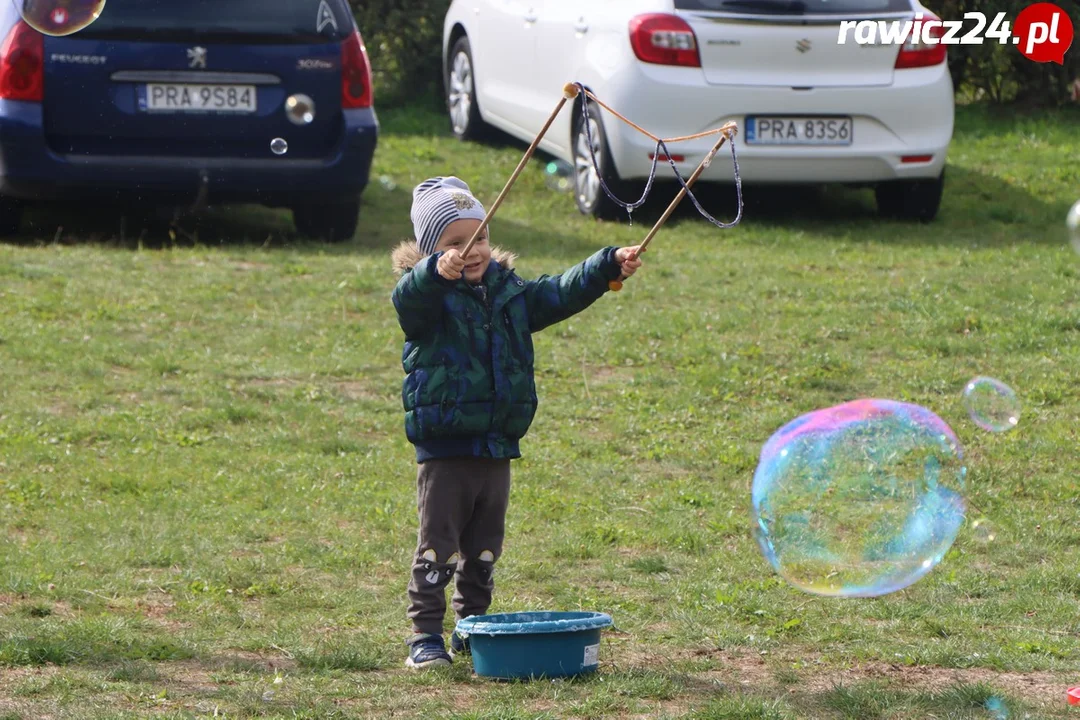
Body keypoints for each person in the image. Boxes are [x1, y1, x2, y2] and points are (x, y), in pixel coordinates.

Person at [390, 176, 643, 669]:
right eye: (455, 243)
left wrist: (605, 266)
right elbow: (409, 300)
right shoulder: (426, 301)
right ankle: (424, 635)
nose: (471, 250)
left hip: (497, 443)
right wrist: (433, 272)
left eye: (479, 237)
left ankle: (471, 628)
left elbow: (559, 293)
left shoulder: (509, 294)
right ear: (430, 249)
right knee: (438, 548)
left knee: (484, 548)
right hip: (446, 448)